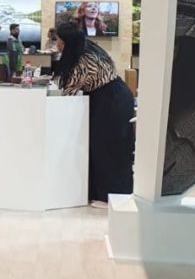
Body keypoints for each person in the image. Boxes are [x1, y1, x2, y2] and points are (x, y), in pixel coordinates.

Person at [53, 22, 135, 209]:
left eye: (59, 40)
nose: (56, 44)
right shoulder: (87, 48)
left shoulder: (83, 59)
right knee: (105, 146)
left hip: (111, 101)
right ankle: (104, 193)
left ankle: (111, 195)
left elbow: (69, 90)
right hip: (113, 96)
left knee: (108, 147)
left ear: (68, 42)